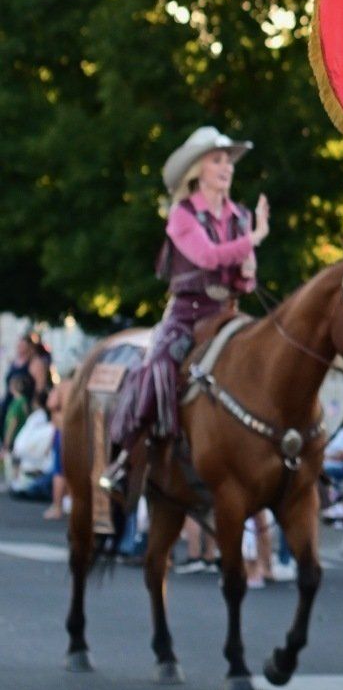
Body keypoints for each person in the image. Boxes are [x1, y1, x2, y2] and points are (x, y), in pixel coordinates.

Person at [110, 128, 267, 464]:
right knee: (159, 368)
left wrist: (248, 274)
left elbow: (245, 280)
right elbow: (208, 257)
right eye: (217, 160)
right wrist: (252, 241)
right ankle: (132, 452)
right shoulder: (181, 214)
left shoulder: (241, 216)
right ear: (198, 169)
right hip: (187, 316)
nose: (227, 167)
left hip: (229, 312)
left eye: (228, 161)